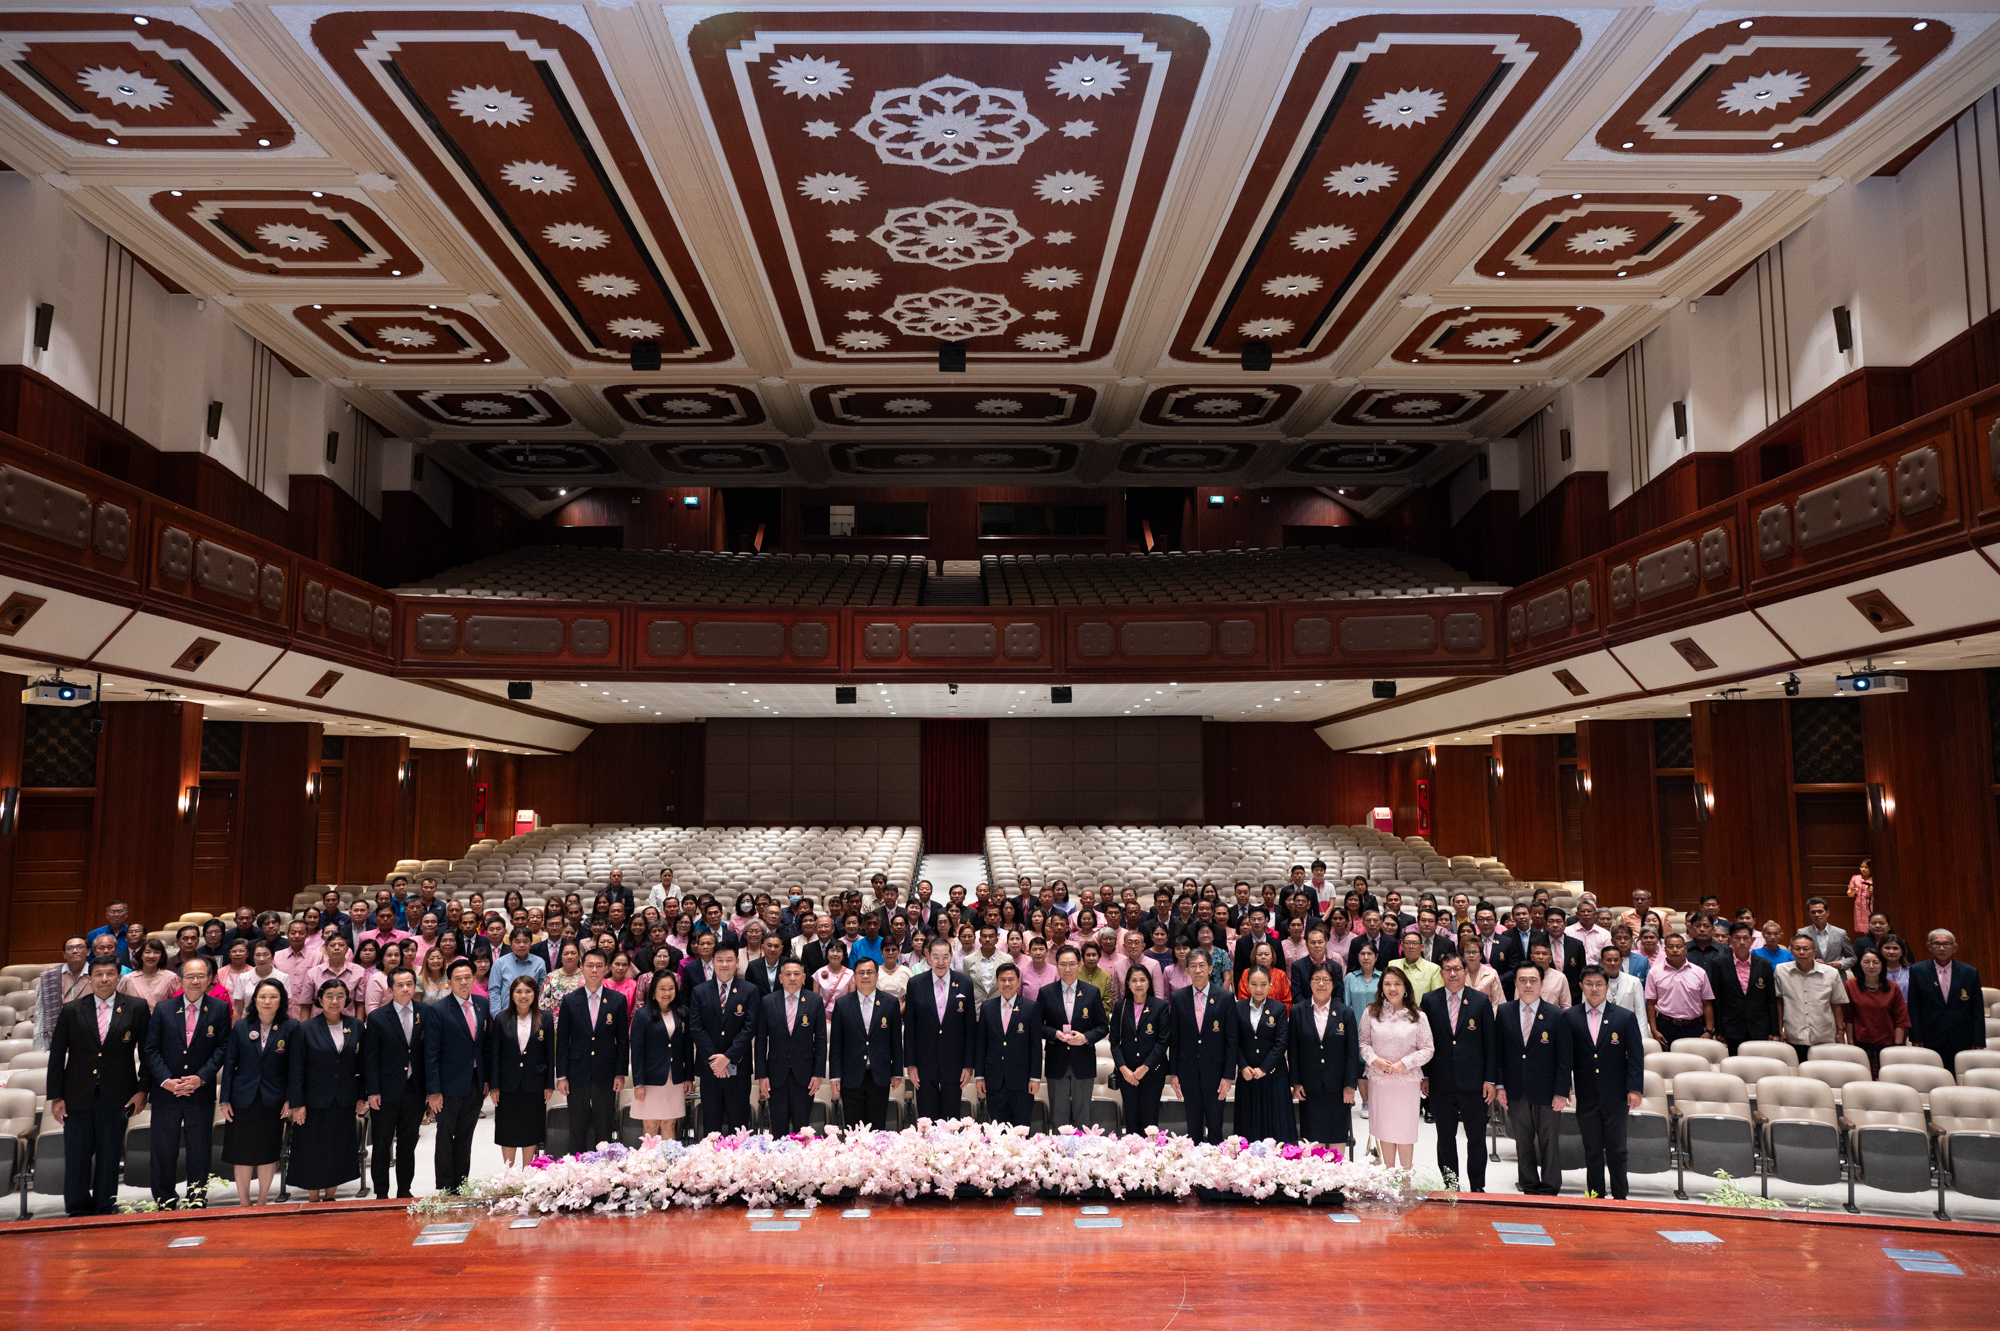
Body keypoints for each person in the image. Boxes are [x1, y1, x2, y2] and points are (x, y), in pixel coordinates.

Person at [47, 952, 150, 1215]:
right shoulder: (71, 1009)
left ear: (119, 976)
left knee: (109, 1154)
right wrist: (55, 1097)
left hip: (119, 1094)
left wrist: (143, 1090)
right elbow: (57, 1055)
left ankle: (106, 1206)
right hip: (77, 1095)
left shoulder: (136, 1007)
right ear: (90, 978)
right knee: (77, 1155)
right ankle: (78, 1208)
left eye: (110, 974)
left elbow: (148, 1052)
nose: (104, 979)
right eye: (98, 974)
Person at [143, 955, 229, 1208]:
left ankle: (196, 1198)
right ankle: (165, 1199)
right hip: (166, 1093)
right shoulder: (163, 1008)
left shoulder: (219, 1009)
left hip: (199, 1093)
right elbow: (151, 1050)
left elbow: (222, 1048)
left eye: (201, 976)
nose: (195, 981)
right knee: (163, 1149)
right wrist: (166, 1080)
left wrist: (201, 1077)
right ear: (179, 979)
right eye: (189, 976)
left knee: (199, 1149)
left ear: (210, 979)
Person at [1565, 966, 1645, 1200]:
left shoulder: (1624, 1016)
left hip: (1616, 1094)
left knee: (1617, 1149)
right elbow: (1564, 1058)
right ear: (1581, 986)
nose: (1594, 988)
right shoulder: (1571, 1016)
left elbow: (1636, 1056)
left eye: (1599, 984)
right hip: (1586, 1093)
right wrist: (1563, 1090)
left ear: (1607, 986)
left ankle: (1620, 1196)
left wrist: (1635, 1089)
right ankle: (1595, 1196)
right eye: (1589, 983)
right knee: (1591, 1149)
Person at [1420, 954, 1496, 1193]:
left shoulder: (1481, 1001)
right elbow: (1423, 1041)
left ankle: (1477, 1186)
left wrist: (1489, 1079)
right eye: (1447, 969)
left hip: (1474, 1083)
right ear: (1441, 973)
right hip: (1440, 1081)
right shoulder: (1429, 1001)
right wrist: (1425, 1075)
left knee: (1476, 1138)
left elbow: (1490, 1044)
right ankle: (1451, 1185)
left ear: (1465, 971)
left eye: (1457, 969)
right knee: (1445, 1137)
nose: (1452, 974)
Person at [1496, 965, 1571, 1197]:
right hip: (1516, 1088)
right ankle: (1528, 1184)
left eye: (1533, 980)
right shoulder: (1504, 1011)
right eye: (1522, 980)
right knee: (1523, 1140)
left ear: (1542, 984)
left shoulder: (1557, 1014)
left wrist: (1561, 1092)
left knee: (1549, 1141)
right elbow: (1498, 1053)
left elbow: (1564, 1057)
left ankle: (1550, 1186)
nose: (1528, 985)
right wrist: (1499, 1086)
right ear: (1516, 984)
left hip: (1548, 1092)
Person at [287, 977, 364, 1202]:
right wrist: (297, 1104)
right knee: (313, 1149)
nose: (334, 1001)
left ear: (346, 1000)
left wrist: (361, 1096)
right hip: (313, 1101)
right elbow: (296, 1069)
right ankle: (313, 1198)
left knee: (337, 1147)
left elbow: (361, 1065)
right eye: (329, 996)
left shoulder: (356, 1025)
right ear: (319, 999)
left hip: (344, 1099)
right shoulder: (305, 1028)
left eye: (340, 996)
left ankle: (331, 1197)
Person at [219, 977, 294, 1206]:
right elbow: (230, 1064)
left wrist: (291, 1099)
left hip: (274, 1099)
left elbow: (295, 1067)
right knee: (241, 1153)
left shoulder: (291, 1027)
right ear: (255, 999)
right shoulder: (241, 1026)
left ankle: (262, 1202)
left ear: (281, 1000)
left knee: (267, 1152)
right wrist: (224, 1101)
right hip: (242, 1099)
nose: (267, 1001)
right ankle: (244, 1203)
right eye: (262, 996)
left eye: (273, 996)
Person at [361, 965, 426, 1201]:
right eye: (400, 985)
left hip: (415, 1089)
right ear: (390, 989)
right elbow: (370, 1057)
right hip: (386, 1091)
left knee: (408, 1144)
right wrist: (373, 1091)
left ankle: (404, 1190)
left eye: (409, 984)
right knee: (381, 1144)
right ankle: (381, 1192)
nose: (406, 988)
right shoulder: (378, 1017)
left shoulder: (425, 1012)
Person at [427, 958, 490, 1191]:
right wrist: (433, 1091)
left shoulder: (482, 1004)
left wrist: (486, 1079)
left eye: (467, 977)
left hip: (474, 1083)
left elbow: (484, 1046)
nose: (463, 982)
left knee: (465, 1137)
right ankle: (445, 1187)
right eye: (458, 979)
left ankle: (462, 1184)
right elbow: (431, 1054)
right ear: (449, 982)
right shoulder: (438, 1011)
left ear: (474, 978)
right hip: (447, 1086)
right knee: (445, 1137)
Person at [1358, 967, 1431, 1168]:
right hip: (1380, 1083)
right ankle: (1388, 1178)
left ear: (1406, 988)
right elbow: (1363, 1043)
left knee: (1405, 1132)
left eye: (1397, 983)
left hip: (1406, 1083)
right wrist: (1375, 1061)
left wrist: (1404, 1063)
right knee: (1385, 1130)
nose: (1392, 988)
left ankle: (1406, 1179)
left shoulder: (1417, 1015)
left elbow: (1428, 1049)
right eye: (1387, 984)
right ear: (1381, 987)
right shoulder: (1371, 1012)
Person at [558, 949, 630, 1149]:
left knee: (604, 1125)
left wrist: (620, 1073)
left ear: (606, 969)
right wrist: (561, 1075)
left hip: (606, 1072)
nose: (594, 970)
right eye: (589, 965)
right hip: (576, 1072)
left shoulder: (617, 1000)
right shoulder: (570, 1000)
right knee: (577, 1125)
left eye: (599, 966)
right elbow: (563, 1041)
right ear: (581, 968)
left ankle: (604, 1173)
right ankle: (576, 1170)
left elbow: (623, 1040)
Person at [1167, 949, 1236, 1143]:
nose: (1197, 970)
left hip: (1215, 1071)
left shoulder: (1225, 997)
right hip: (1187, 1070)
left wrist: (1228, 1076)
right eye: (1193, 966)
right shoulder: (1179, 997)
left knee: (1215, 1125)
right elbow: (1175, 1038)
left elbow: (1231, 1040)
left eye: (1202, 966)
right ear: (1187, 970)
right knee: (1193, 1126)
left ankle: (1216, 1167)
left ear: (1211, 969)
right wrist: (1174, 1073)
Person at [482, 975, 552, 1166]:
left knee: (531, 1128)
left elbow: (549, 1054)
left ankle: (527, 1172)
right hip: (507, 1083)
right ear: (511, 995)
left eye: (528, 991)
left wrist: (548, 1085)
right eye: (519, 991)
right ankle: (508, 1174)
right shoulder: (502, 1018)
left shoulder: (544, 1018)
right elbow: (495, 1055)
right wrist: (494, 1086)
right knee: (508, 1129)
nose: (523, 996)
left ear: (535, 994)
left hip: (535, 1082)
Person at [1036, 944, 1106, 1132]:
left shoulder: (1092, 993)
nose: (1067, 969)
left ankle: (1082, 1156)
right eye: (1063, 964)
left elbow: (1102, 1027)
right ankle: (1059, 1157)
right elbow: (1036, 1025)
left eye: (1072, 964)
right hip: (1056, 1059)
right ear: (1056, 966)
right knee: (1058, 1116)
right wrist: (1053, 1033)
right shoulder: (1046, 992)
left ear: (1079, 965)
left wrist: (1086, 1037)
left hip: (1083, 1060)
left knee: (1083, 1116)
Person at [903, 937, 974, 1122]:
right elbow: (910, 1027)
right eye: (935, 957)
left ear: (952, 957)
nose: (940, 962)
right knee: (927, 1119)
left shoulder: (965, 983)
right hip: (924, 1061)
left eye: (945, 957)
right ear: (928, 957)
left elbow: (969, 1028)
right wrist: (911, 1064)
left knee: (952, 1119)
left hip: (955, 1061)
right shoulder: (915, 984)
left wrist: (968, 1065)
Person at [1289, 962, 1360, 1146]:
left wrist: (1350, 1085)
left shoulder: (1346, 1013)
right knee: (1313, 1140)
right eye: (1317, 979)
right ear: (1310, 982)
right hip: (1309, 1086)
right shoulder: (1297, 1011)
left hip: (1338, 1087)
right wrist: (1296, 1083)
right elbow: (1293, 1049)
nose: (1321, 984)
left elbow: (1352, 1052)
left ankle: (1337, 1173)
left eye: (1326, 980)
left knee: (1337, 1136)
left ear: (1333, 984)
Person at [756, 959, 826, 1135]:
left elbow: (821, 1040)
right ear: (780, 978)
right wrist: (762, 1075)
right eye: (788, 974)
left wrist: (818, 1073)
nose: (792, 978)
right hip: (775, 1075)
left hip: (805, 1075)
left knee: (802, 1129)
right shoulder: (767, 1001)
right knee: (778, 1128)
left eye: (796, 974)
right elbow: (761, 1041)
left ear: (804, 978)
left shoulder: (815, 1001)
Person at [830, 957, 902, 1129]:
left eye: (870, 972)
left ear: (877, 976)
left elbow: (896, 1041)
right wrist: (835, 1075)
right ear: (854, 977)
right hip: (851, 1075)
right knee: (852, 1128)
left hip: (880, 1074)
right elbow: (836, 1044)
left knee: (877, 1127)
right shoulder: (842, 1004)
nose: (865, 976)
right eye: (861, 972)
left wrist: (897, 1071)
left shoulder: (890, 1003)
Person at [1907, 928, 1987, 1072]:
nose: (1942, 948)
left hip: (1962, 1036)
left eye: (1947, 944)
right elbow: (1914, 1007)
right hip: (1930, 1035)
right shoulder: (1917, 970)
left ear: (1954, 947)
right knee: (1934, 1075)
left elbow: (1977, 1010)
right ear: (1929, 946)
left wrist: (1979, 1041)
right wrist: (1916, 1039)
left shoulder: (1969, 972)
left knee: (1962, 1077)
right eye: (1937, 944)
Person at [974, 962, 1040, 1127]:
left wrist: (1035, 1077)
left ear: (1019, 981)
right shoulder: (987, 1007)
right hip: (994, 1080)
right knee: (998, 1131)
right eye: (1003, 980)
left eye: (1011, 979)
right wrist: (980, 1076)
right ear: (997, 982)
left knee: (1021, 1130)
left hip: (1022, 1081)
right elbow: (981, 1043)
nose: (1007, 984)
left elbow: (1036, 1047)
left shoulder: (1030, 1007)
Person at [1232, 965, 1293, 1143]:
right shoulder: (1238, 1008)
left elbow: (1281, 1043)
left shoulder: (1279, 1009)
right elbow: (1233, 1041)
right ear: (1247, 985)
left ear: (1270, 985)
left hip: (1274, 1075)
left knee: (1276, 1125)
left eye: (1263, 984)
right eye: (1254, 984)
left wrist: (1265, 1068)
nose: (1258, 989)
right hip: (1247, 1076)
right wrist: (1242, 1066)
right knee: (1248, 1125)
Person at [628, 971, 687, 1144]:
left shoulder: (682, 1013)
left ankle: (669, 1166)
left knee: (669, 1123)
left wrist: (688, 1077)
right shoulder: (642, 1015)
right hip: (650, 1080)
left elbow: (686, 1048)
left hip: (674, 1078)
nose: (667, 993)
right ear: (653, 991)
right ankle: (650, 1166)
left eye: (671, 988)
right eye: (662, 989)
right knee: (651, 1126)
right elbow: (637, 1052)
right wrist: (638, 1083)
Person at [1110, 963, 1169, 1133]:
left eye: (1142, 980)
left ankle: (1150, 1156)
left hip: (1152, 1073)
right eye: (1134, 980)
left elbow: (1162, 1042)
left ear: (1149, 982)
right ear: (1127, 983)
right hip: (1127, 1074)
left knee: (1150, 1121)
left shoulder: (1160, 1006)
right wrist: (1124, 1070)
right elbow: (1114, 1042)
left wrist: (1144, 1067)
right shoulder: (1120, 1007)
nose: (1138, 984)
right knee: (1131, 1120)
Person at [1772, 935, 1849, 1064]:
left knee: (1823, 1074)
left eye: (1806, 949)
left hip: (1823, 1035)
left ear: (1814, 951)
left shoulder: (1831, 973)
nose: (1801, 952)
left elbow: (1836, 1004)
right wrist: (1780, 1030)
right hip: (1794, 1034)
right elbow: (1780, 1003)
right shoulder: (1781, 971)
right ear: (1791, 951)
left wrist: (1840, 1031)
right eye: (1797, 948)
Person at [1707, 921, 1780, 1054]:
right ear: (1730, 940)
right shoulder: (1719, 963)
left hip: (1759, 1026)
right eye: (1737, 938)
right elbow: (1717, 1000)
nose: (1742, 942)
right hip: (1731, 1026)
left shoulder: (1764, 964)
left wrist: (1774, 1031)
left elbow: (1771, 1000)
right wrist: (1719, 1029)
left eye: (1746, 938)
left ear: (1752, 940)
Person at [1643, 933, 1714, 1047]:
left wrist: (1709, 1031)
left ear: (1685, 949)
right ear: (1665, 950)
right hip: (1666, 1026)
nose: (1675, 950)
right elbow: (1651, 1004)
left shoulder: (1699, 972)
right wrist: (1654, 1030)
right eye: (1671, 947)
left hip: (1694, 1027)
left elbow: (1707, 1004)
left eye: (1679, 946)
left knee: (1693, 1063)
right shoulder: (1654, 972)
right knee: (1667, 1062)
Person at [1845, 948, 1910, 1070]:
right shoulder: (1851, 985)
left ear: (1882, 965)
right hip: (1859, 1043)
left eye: (1875, 962)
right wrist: (1850, 1043)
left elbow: (1901, 1020)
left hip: (1887, 1044)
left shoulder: (1893, 987)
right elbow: (1848, 1017)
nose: (1871, 966)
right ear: (1860, 964)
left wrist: (1897, 1045)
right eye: (1866, 962)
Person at [34, 936, 91, 1050]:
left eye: (79, 947)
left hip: (90, 1036)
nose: (75, 951)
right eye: (70, 948)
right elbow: (39, 1010)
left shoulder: (97, 974)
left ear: (88, 951)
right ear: (64, 954)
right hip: (56, 1036)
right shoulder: (49, 976)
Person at [118, 939, 178, 1013]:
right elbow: (119, 1002)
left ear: (161, 956)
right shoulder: (128, 978)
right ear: (141, 955)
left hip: (161, 1021)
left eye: (156, 952)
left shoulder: (171, 977)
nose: (151, 956)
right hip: (134, 1020)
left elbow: (176, 1003)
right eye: (147, 952)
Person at [1388, 928, 1442, 1003]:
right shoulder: (1393, 965)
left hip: (1422, 1012)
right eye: (1407, 943)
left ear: (1422, 947)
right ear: (1402, 947)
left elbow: (1437, 997)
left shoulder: (1433, 969)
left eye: (1415, 943)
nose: (1411, 946)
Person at [1800, 897, 1853, 968]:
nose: (1817, 915)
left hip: (1836, 975)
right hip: (1812, 975)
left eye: (1820, 911)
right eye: (1813, 912)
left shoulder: (1840, 933)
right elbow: (1793, 955)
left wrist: (1841, 964)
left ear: (1827, 912)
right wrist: (1812, 962)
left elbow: (1852, 958)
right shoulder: (1802, 933)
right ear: (1809, 914)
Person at [1846, 859, 1874, 938]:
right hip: (1860, 903)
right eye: (1861, 867)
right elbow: (1849, 894)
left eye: (1866, 867)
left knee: (1872, 924)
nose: (1863, 869)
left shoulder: (1874, 878)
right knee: (1863, 927)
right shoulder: (1855, 878)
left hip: (1871, 902)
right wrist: (1854, 891)